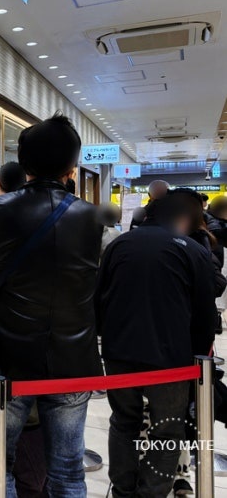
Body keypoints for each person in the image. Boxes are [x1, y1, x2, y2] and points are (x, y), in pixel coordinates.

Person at [0, 113, 104, 497]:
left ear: (23, 163)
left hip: (7, 359)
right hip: (74, 359)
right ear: (72, 166)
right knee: (68, 469)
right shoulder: (91, 218)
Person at [95, 193, 217, 498]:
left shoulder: (118, 245)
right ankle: (151, 492)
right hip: (171, 359)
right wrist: (198, 362)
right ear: (183, 219)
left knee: (124, 421)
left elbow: (98, 300)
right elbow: (204, 316)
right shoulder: (191, 250)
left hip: (119, 351)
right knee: (167, 429)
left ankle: (123, 490)